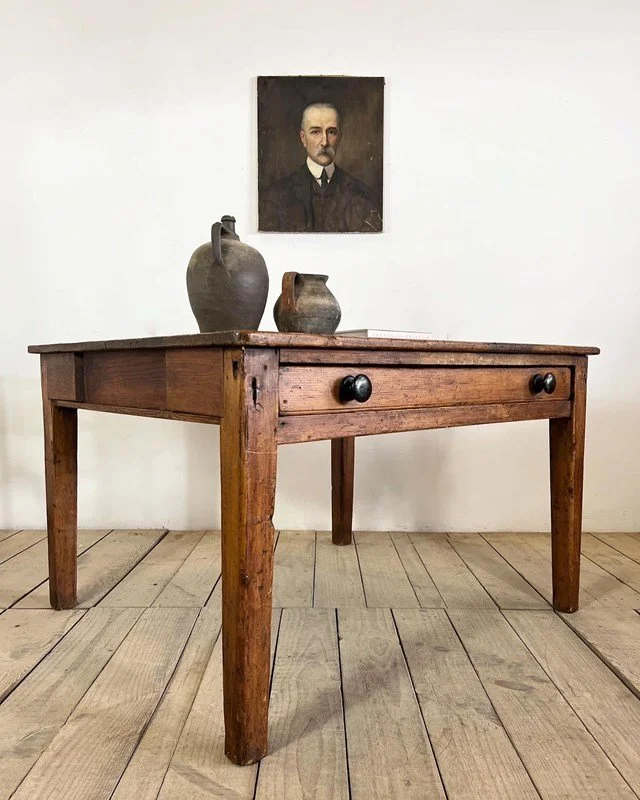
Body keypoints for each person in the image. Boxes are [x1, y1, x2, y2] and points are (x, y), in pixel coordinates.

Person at [260, 102, 382, 232]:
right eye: (316, 132)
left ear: (340, 138)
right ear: (303, 138)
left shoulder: (364, 195)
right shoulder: (275, 196)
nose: (324, 142)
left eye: (331, 132)